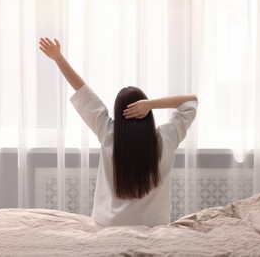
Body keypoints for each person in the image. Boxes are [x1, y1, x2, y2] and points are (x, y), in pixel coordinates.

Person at [39, 37, 198, 227]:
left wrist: (58, 58)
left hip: (109, 224)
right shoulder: (166, 138)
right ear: (147, 114)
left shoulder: (108, 134)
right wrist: (151, 104)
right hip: (154, 226)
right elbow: (191, 101)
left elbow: (83, 91)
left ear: (118, 113)